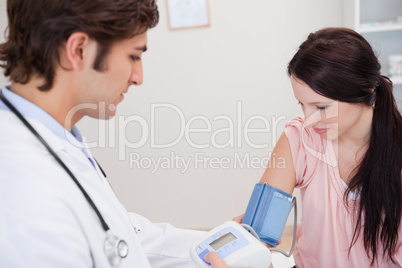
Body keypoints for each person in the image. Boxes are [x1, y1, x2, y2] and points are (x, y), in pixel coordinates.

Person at [0, 0, 206, 267]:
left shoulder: (53, 136)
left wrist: (213, 243)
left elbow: (117, 236)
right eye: (134, 55)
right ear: (79, 49)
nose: (138, 77)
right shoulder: (24, 192)